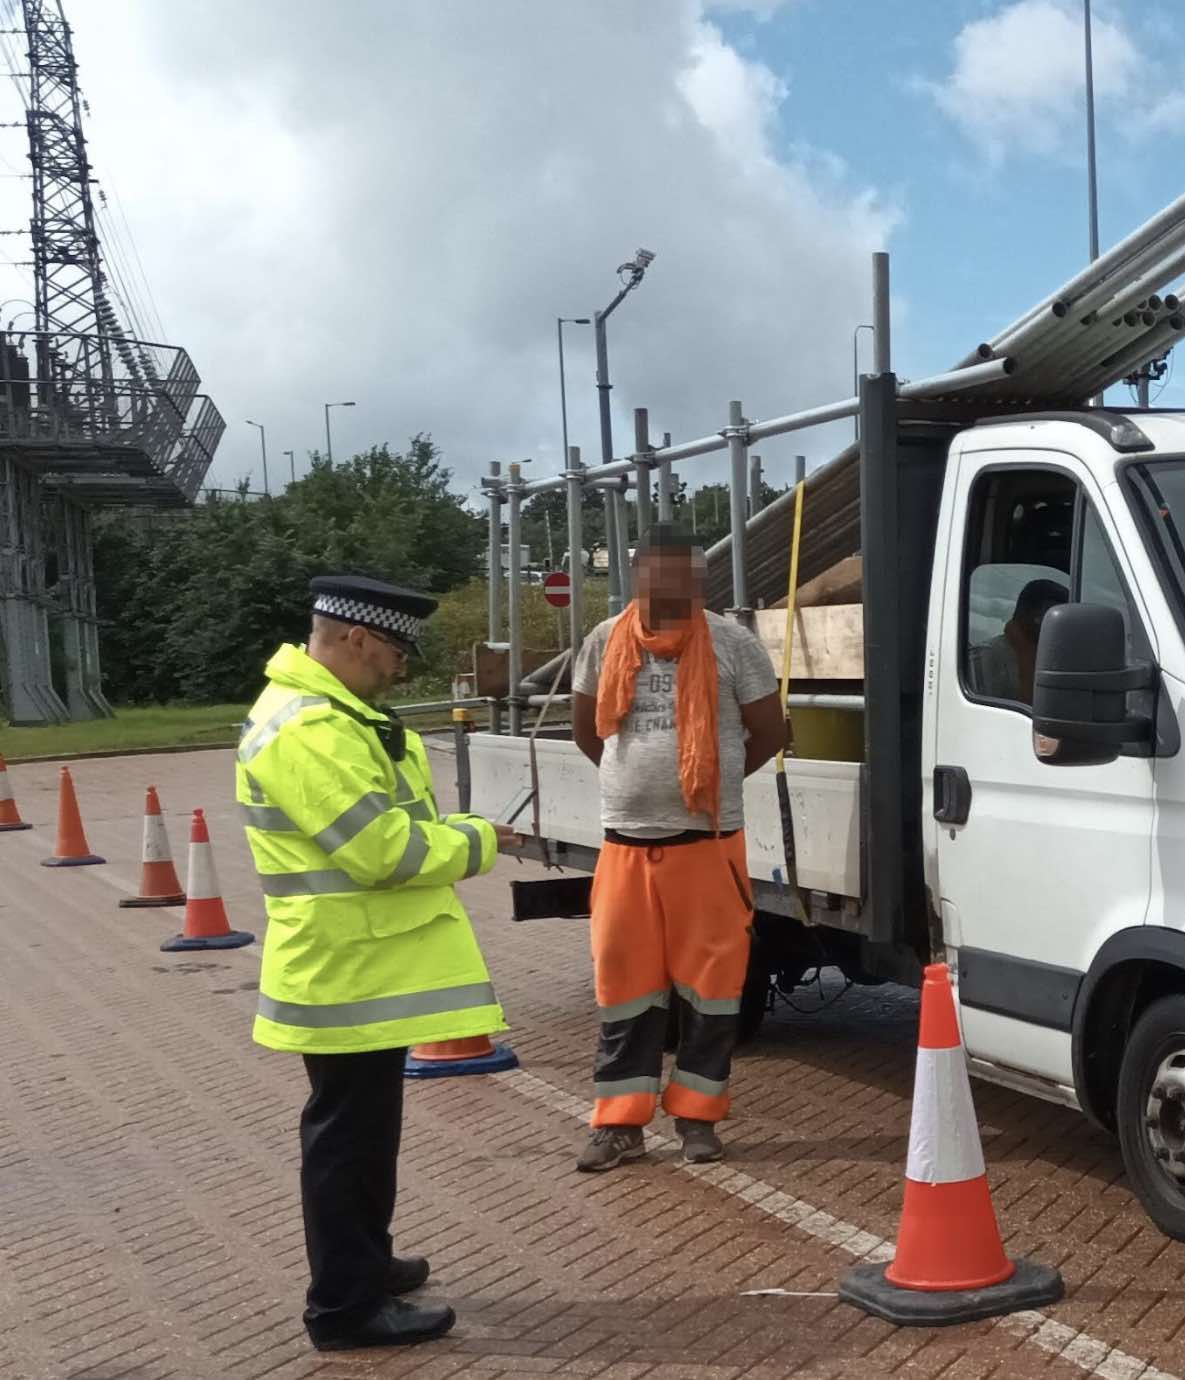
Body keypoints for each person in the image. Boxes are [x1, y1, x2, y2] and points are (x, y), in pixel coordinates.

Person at [237, 575, 518, 1353]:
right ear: (354, 638)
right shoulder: (307, 729)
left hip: (360, 967)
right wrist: (480, 838)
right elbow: (379, 849)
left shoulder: (334, 714)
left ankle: (366, 1262)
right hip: (344, 971)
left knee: (363, 1134)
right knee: (347, 1141)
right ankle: (344, 1308)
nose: (398, 669)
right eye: (393, 651)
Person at [570, 525, 785, 1172]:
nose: (667, 587)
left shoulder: (734, 645)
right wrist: (636, 788)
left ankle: (697, 1118)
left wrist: (707, 783)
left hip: (709, 847)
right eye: (655, 574)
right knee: (625, 991)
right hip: (626, 847)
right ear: (637, 577)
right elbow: (589, 733)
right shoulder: (604, 641)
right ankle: (619, 1125)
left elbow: (770, 732)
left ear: (700, 580)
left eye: (681, 575)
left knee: (713, 992)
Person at [970, 577, 1067, 704]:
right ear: (1031, 614)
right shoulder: (988, 657)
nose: (1061, 628)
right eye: (1053, 619)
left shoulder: (1049, 658)